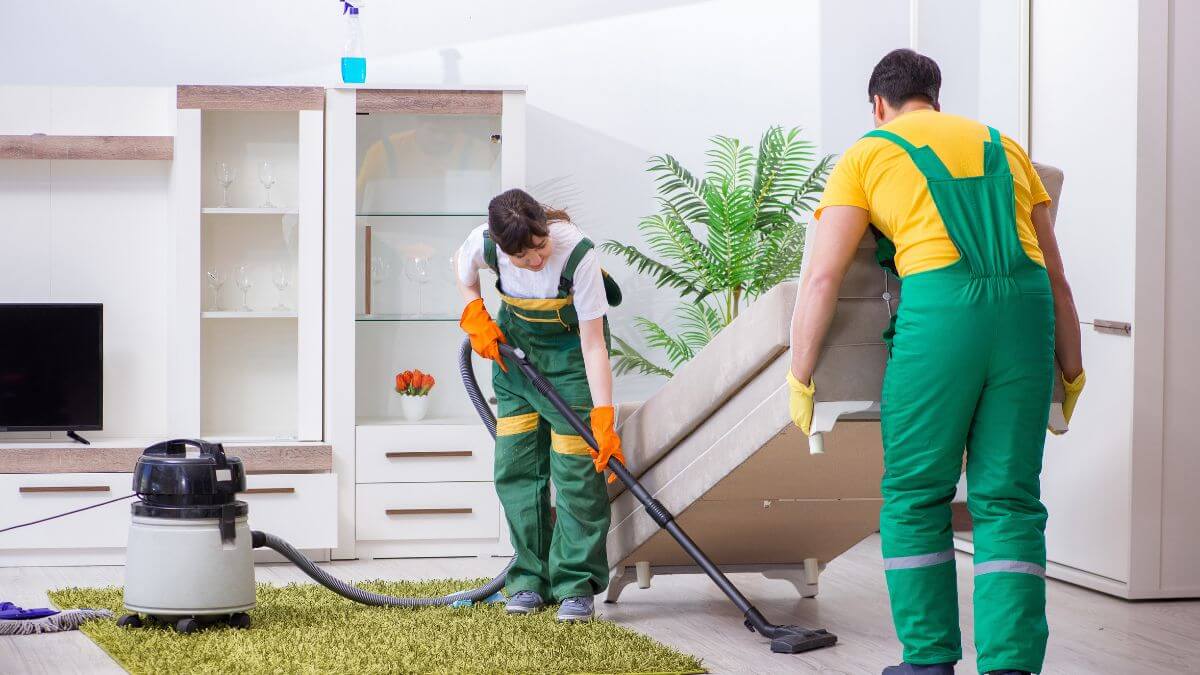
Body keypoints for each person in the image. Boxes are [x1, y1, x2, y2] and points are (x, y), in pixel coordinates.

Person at [786, 49, 1085, 675]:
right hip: (1026, 314)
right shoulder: (1005, 147)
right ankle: (1011, 666)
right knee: (1010, 500)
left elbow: (822, 279)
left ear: (879, 104)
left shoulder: (867, 154)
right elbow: (1056, 274)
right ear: (936, 98)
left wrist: (800, 376)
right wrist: (1071, 370)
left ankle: (928, 662)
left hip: (943, 314)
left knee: (917, 493)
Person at [455, 188, 624, 623]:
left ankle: (575, 585)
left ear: (545, 229)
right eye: (521, 257)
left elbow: (594, 344)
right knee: (516, 469)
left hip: (571, 364)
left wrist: (603, 416)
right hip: (515, 363)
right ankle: (530, 578)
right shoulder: (484, 244)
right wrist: (475, 312)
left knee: (576, 476)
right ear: (502, 248)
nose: (535, 260)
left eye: (540, 246)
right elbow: (462, 268)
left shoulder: (578, 254)